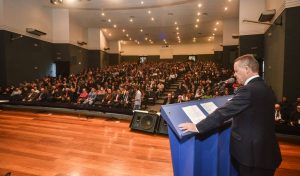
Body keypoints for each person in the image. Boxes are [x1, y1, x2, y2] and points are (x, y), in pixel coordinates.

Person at [178, 54, 282, 176]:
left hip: (252, 156)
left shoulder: (248, 90)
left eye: (236, 71)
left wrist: (197, 127)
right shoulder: (266, 87)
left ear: (247, 69)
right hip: (266, 151)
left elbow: (223, 112)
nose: (235, 75)